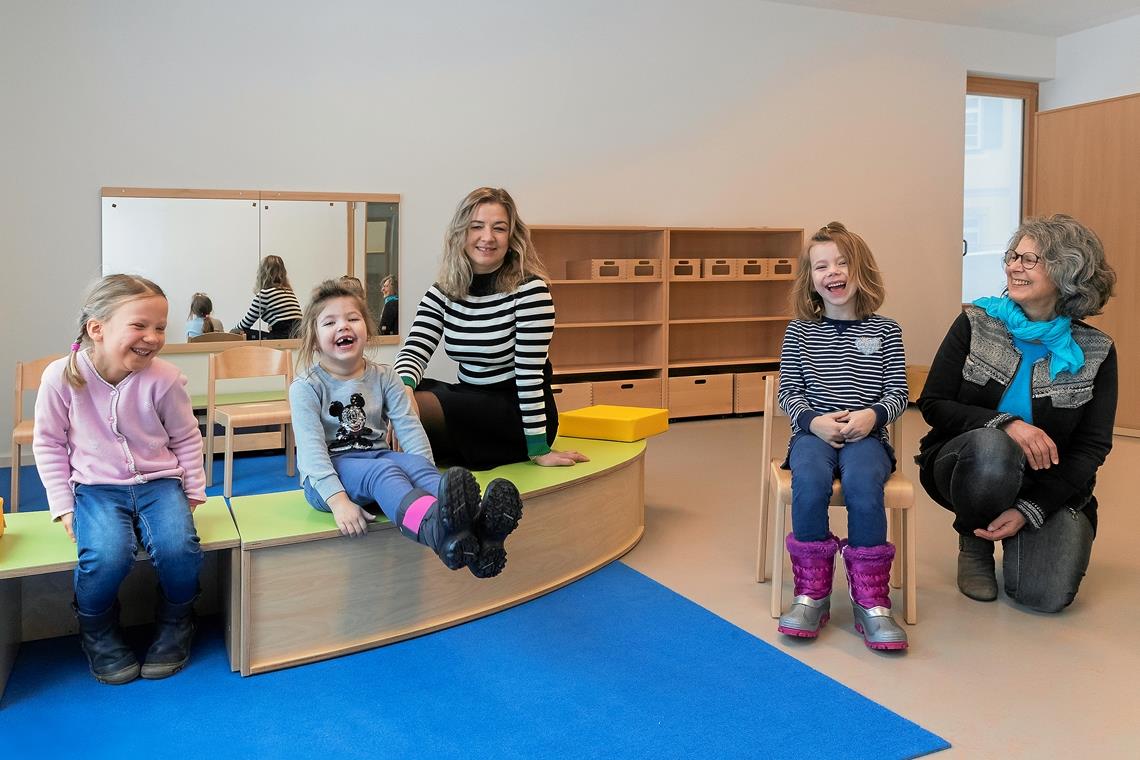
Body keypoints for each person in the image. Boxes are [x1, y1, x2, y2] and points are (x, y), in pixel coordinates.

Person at [916, 214, 1117, 613]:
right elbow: (935, 404)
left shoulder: (1097, 350)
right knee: (994, 446)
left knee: (1044, 597)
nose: (1012, 266)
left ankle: (1015, 524)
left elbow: (1092, 446)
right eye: (1012, 256)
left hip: (1047, 484)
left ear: (1066, 272)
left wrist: (1032, 509)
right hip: (967, 465)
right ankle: (973, 539)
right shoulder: (975, 323)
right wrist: (1006, 424)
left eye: (1029, 260)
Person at [33, 274, 205, 685]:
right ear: (97, 328)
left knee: (180, 548)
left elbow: (186, 436)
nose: (153, 337)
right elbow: (49, 444)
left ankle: (176, 620)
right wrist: (63, 506)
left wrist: (194, 491)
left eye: (160, 327)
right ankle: (97, 630)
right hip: (95, 488)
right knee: (106, 556)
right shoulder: (61, 377)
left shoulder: (164, 379)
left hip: (160, 483)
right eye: (140, 325)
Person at [290, 279, 526, 578]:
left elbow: (409, 427)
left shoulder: (385, 376)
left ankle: (479, 530)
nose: (343, 327)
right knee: (385, 472)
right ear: (313, 337)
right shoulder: (307, 387)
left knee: (414, 464)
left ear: (367, 328)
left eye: (352, 318)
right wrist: (338, 502)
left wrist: (422, 469)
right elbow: (311, 454)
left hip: (374, 458)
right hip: (326, 478)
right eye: (329, 322)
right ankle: (436, 531)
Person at [776, 222, 909, 650]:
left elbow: (898, 394)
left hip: (867, 438)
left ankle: (872, 602)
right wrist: (812, 422)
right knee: (810, 483)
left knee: (862, 486)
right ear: (811, 279)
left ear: (860, 270)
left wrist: (873, 416)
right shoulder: (799, 332)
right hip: (812, 435)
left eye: (842, 262)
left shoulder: (886, 330)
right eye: (821, 266)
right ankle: (812, 594)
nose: (832, 272)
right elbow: (788, 394)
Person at [394, 187, 588, 469]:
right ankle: (373, 475)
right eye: (477, 227)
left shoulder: (531, 291)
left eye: (499, 228)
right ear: (462, 233)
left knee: (418, 407)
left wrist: (538, 448)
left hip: (516, 414)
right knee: (392, 393)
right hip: (470, 399)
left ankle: (374, 478)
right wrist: (402, 390)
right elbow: (414, 350)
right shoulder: (444, 291)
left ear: (512, 237)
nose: (487, 237)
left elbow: (529, 374)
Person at [233, 254, 303, 340]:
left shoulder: (265, 294)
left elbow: (245, 325)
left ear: (262, 273)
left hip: (283, 337)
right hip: (300, 335)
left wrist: (231, 332)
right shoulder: (288, 291)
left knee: (241, 333)